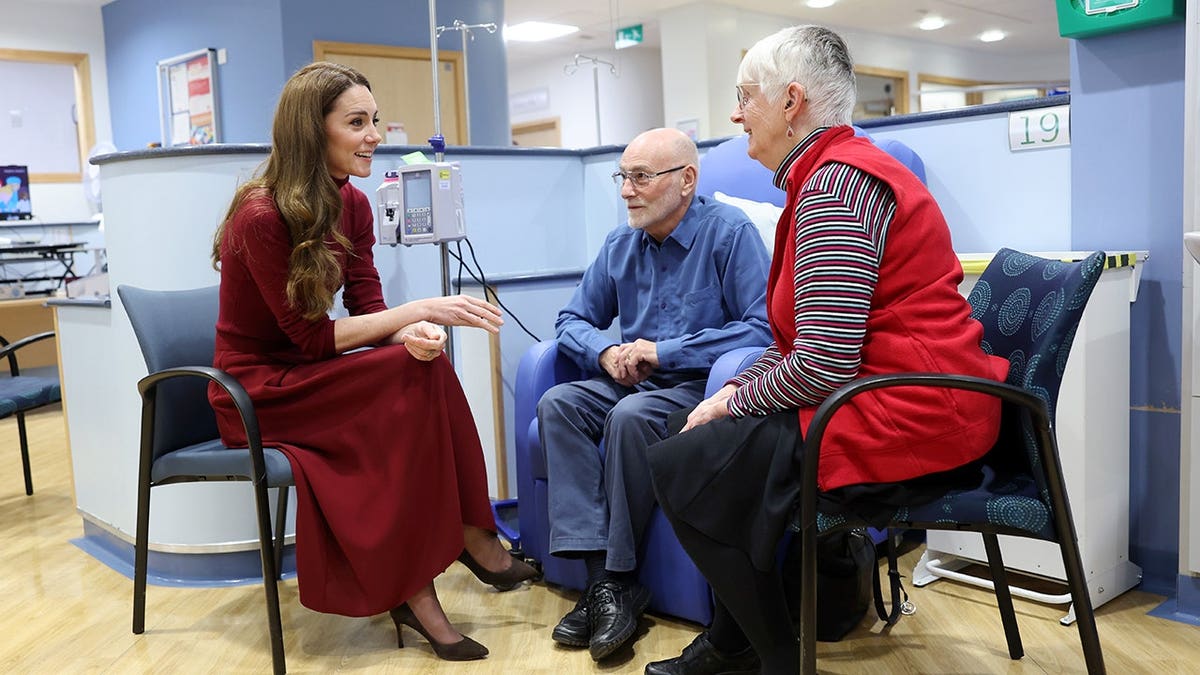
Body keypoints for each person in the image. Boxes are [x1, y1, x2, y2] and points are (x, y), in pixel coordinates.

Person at [643, 26, 1010, 675]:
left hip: (912, 408)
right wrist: (733, 395)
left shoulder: (837, 187)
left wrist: (733, 396)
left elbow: (823, 362)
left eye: (744, 96)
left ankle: (774, 657)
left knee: (684, 461)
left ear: (790, 102)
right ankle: (735, 641)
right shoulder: (825, 177)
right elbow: (796, 344)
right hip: (883, 390)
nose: (734, 114)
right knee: (684, 433)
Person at [207, 61, 537, 663]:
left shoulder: (352, 204)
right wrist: (419, 310)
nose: (375, 135)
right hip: (257, 389)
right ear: (313, 131)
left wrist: (411, 332)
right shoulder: (259, 216)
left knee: (424, 365)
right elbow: (309, 341)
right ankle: (446, 559)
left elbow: (367, 305)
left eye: (374, 120)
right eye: (357, 122)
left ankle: (456, 547)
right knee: (405, 385)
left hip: (308, 373)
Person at [537, 127, 773, 661]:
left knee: (631, 415)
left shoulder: (728, 233)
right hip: (630, 378)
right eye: (623, 176)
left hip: (698, 384)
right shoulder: (621, 243)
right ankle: (603, 588)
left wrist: (663, 352)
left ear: (686, 181)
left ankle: (619, 577)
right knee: (559, 405)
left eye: (641, 177)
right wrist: (604, 353)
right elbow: (572, 318)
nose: (626, 190)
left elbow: (761, 330)